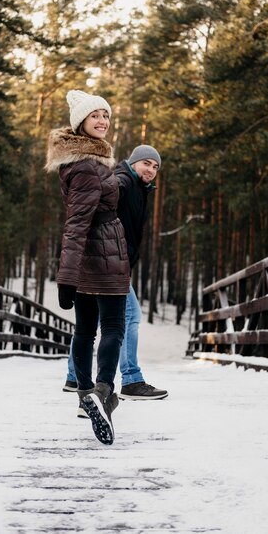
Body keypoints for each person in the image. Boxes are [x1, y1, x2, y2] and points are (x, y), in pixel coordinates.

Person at [45, 89, 130, 445]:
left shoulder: (86, 162)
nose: (102, 121)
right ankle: (101, 392)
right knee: (112, 327)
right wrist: (66, 276)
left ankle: (85, 395)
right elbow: (76, 223)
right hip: (102, 255)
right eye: (95, 116)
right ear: (80, 122)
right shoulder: (87, 166)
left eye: (106, 116)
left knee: (85, 330)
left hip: (91, 257)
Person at [64, 144, 168, 415]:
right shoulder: (123, 182)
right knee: (127, 317)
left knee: (91, 325)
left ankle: (75, 378)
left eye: (156, 167)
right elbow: (94, 210)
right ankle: (130, 380)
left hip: (110, 261)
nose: (151, 170)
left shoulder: (137, 187)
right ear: (133, 163)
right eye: (146, 163)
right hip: (108, 262)